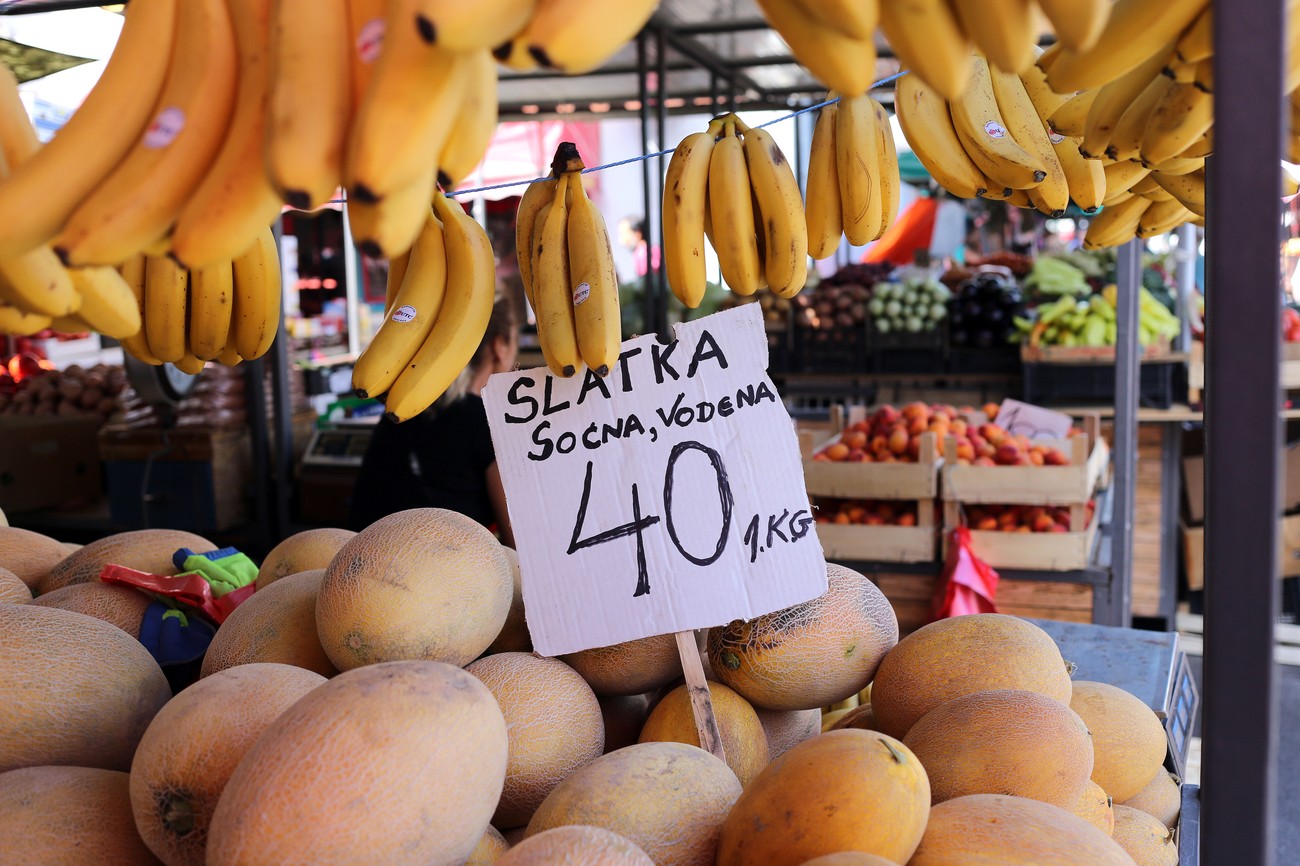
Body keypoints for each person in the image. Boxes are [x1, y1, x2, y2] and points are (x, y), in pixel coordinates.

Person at [348, 293, 519, 545]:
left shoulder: (402, 411)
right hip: (437, 568)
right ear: (499, 346)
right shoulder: (488, 422)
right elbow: (519, 542)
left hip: (362, 557)